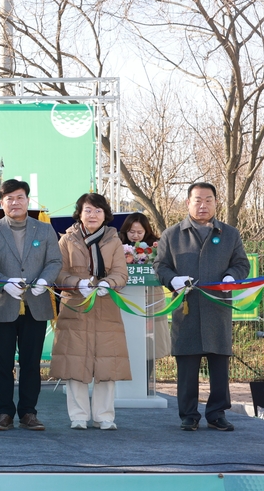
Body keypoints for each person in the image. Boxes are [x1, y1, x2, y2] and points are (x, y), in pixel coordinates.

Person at [154, 182, 250, 431]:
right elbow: (160, 266)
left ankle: (217, 413)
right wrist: (172, 279)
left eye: (208, 200)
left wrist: (231, 276)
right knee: (187, 365)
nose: (203, 205)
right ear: (188, 203)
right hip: (186, 309)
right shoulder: (172, 235)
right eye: (198, 200)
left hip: (217, 308)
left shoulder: (229, 234)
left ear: (216, 203)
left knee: (219, 364)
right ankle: (188, 415)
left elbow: (242, 264)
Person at [0, 179, 63, 432]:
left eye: (19, 197)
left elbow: (54, 261)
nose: (15, 202)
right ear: (1, 203)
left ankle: (29, 412)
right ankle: (4, 413)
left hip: (35, 306)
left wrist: (44, 280)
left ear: (28, 200)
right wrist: (3, 283)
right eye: (9, 198)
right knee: (2, 363)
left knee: (31, 363)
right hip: (2, 305)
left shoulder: (45, 229)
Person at [49, 193, 132, 430]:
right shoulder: (66, 240)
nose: (92, 215)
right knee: (75, 363)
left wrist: (109, 283)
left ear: (105, 214)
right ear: (79, 213)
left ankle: (104, 416)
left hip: (107, 308)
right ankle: (78, 416)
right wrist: (77, 283)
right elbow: (58, 273)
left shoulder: (114, 240)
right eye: (88, 210)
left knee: (107, 363)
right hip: (75, 307)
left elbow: (121, 273)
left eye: (98, 210)